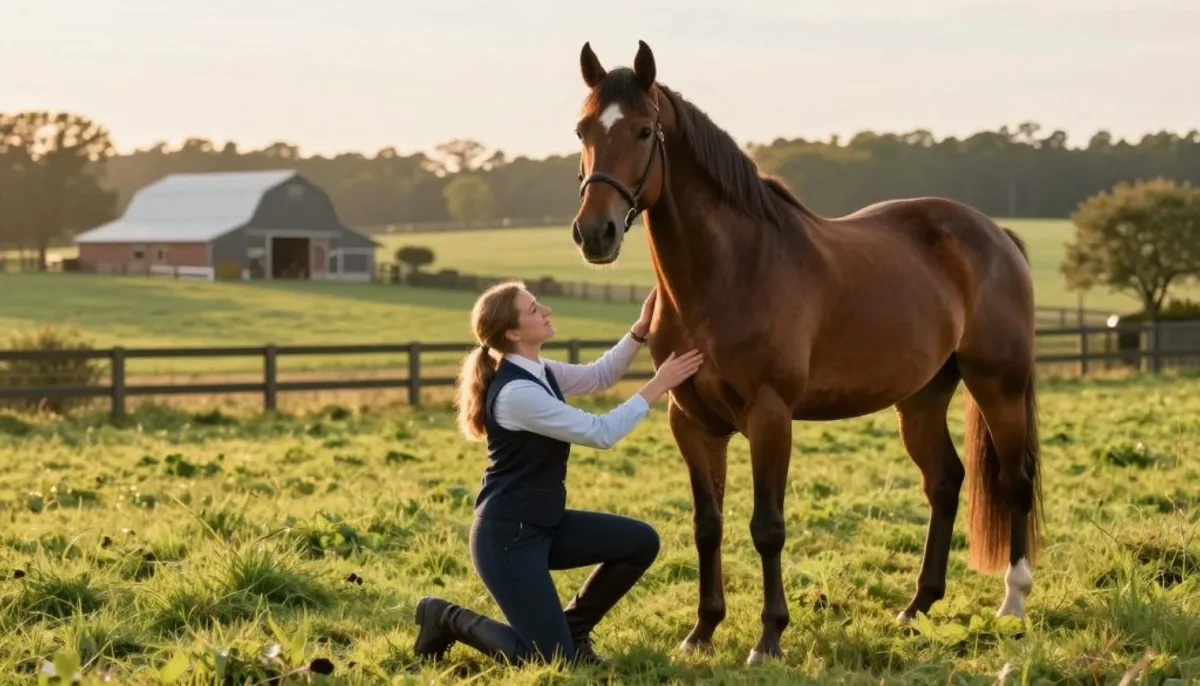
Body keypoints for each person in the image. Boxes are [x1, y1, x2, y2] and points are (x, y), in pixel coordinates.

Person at [412, 280, 704, 668]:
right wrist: (657, 386)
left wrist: (639, 331)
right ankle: (443, 616)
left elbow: (600, 376)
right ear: (514, 333)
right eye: (534, 309)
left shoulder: (539, 370)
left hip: (544, 526)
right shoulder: (518, 394)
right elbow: (601, 433)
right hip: (507, 540)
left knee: (640, 542)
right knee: (549, 661)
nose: (546, 310)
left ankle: (574, 630)